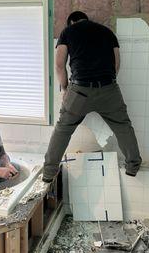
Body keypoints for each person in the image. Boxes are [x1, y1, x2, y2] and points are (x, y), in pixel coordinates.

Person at [42, 11, 142, 183]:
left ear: (71, 22)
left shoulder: (68, 32)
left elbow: (59, 65)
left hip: (80, 90)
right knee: (123, 126)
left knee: (63, 129)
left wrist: (66, 88)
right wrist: (107, 84)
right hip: (109, 89)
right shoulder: (107, 32)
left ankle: (48, 174)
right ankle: (133, 166)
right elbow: (117, 63)